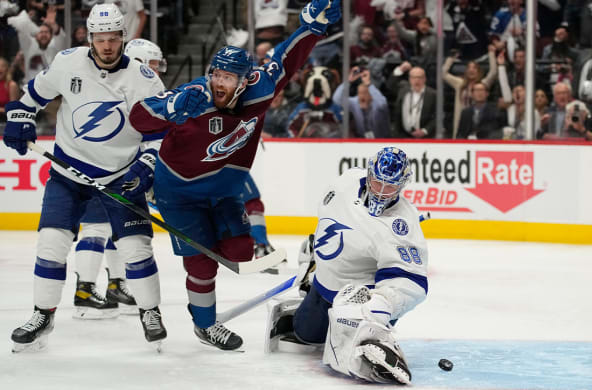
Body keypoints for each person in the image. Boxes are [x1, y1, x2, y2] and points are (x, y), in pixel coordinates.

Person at [127, 0, 341, 351]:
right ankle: (206, 325)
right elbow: (140, 118)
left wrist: (311, 28)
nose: (219, 83)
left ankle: (206, 311)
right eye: (216, 75)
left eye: (227, 78)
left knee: (240, 252)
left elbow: (286, 57)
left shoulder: (261, 87)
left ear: (244, 81)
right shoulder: (194, 96)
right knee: (202, 263)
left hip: (224, 192)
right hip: (178, 193)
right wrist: (169, 108)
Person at [4, 3, 167, 352]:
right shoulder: (68, 62)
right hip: (67, 173)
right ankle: (42, 314)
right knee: (51, 243)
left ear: (123, 36)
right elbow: (32, 95)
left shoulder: (145, 80)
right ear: (89, 37)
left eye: (113, 38)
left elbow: (159, 135)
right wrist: (19, 116)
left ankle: (149, 312)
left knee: (136, 249)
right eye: (99, 38)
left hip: (121, 177)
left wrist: (147, 164)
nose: (106, 46)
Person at [265, 147, 428, 385]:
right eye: (376, 182)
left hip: (361, 299)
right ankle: (311, 293)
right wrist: (317, 252)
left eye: (390, 186)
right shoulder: (346, 182)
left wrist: (381, 305)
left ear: (402, 185)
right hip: (324, 284)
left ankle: (375, 336)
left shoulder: (402, 225)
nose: (381, 192)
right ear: (368, 173)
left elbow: (411, 280)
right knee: (306, 335)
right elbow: (328, 217)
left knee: (354, 351)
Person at [70, 38, 168, 320]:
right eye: (150, 64)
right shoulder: (117, 90)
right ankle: (85, 290)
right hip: (100, 168)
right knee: (96, 228)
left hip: (124, 173)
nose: (155, 70)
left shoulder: (143, 90)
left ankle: (115, 284)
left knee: (118, 230)